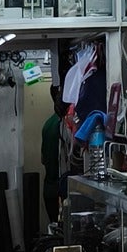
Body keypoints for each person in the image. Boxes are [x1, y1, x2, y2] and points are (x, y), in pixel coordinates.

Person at [41, 94, 69, 223]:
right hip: (61, 190)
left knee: (54, 228)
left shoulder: (47, 124)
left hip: (49, 188)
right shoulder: (64, 125)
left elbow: (43, 159)